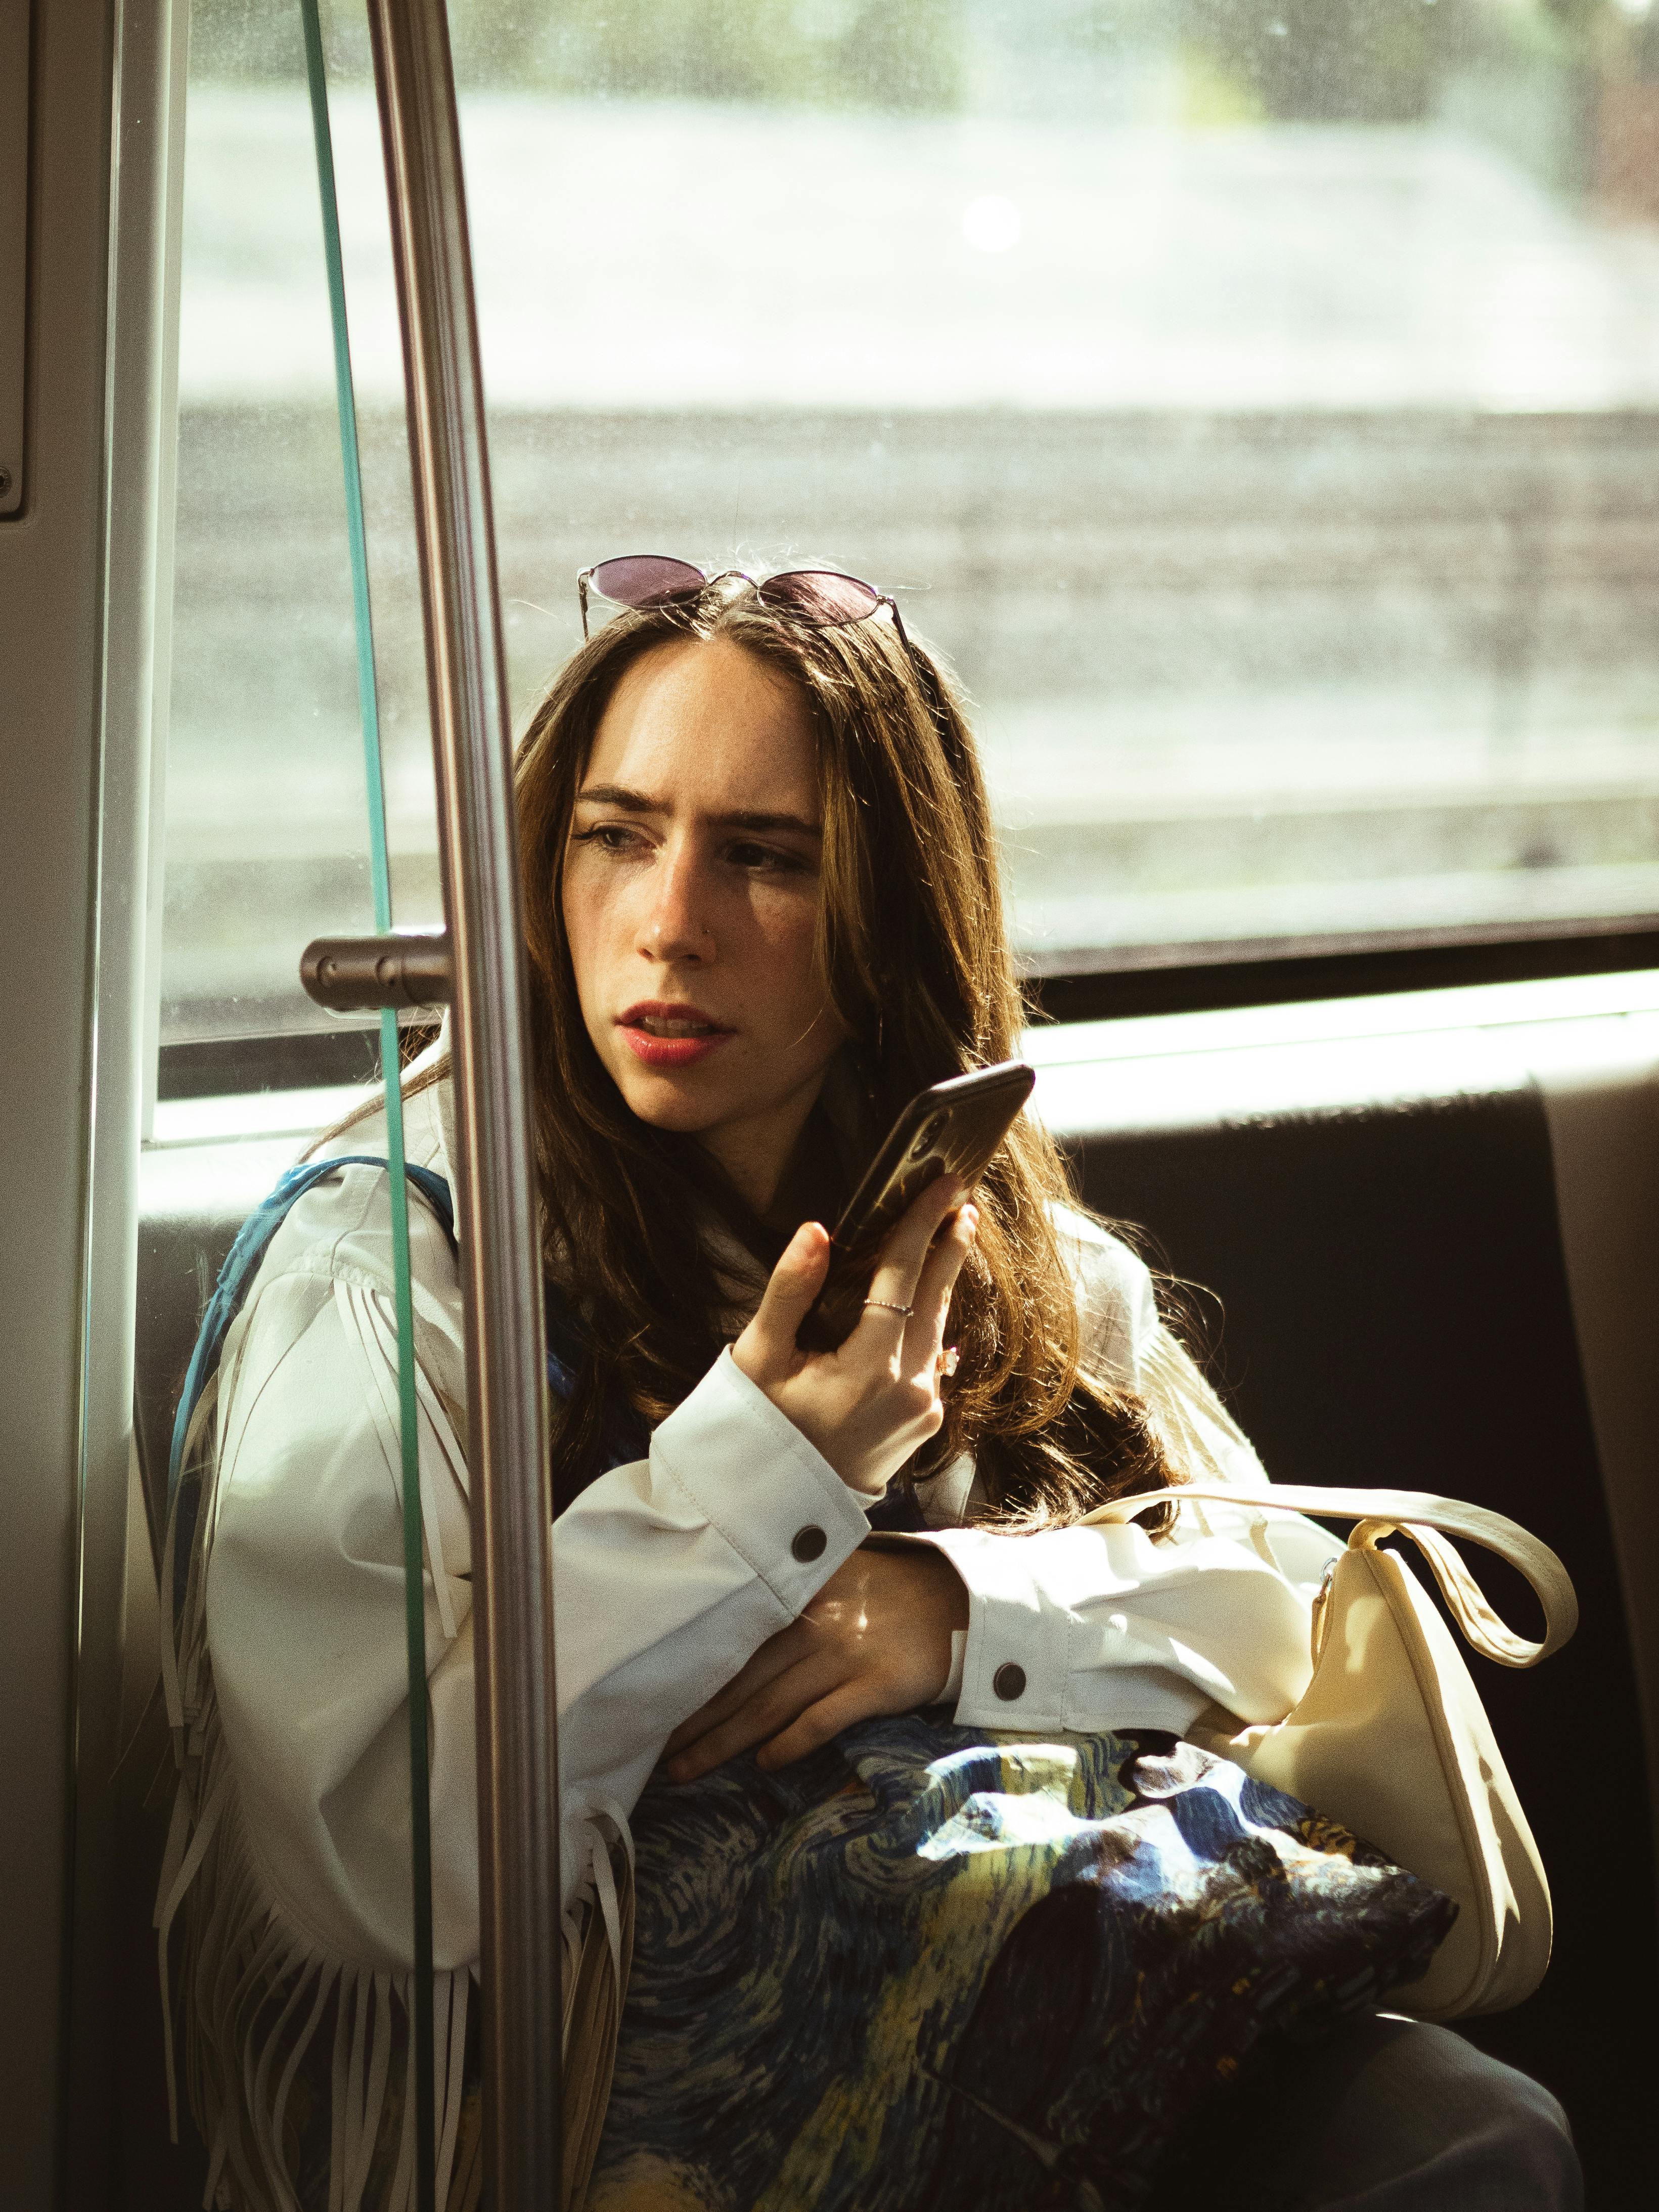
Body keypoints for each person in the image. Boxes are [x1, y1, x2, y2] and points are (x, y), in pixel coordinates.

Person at [163, 566, 1580, 2212]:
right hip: (618, 2103)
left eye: (763, 857)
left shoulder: (1005, 1259)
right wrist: (752, 1483)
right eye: (614, 834)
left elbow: (1282, 1619)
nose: (668, 919)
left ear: (891, 911)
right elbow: (379, 1864)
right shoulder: (403, 1267)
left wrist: (953, 1608)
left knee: (1466, 2133)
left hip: (1080, 1998)